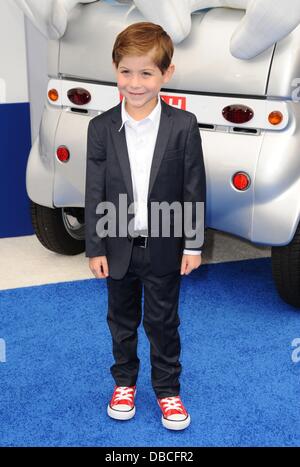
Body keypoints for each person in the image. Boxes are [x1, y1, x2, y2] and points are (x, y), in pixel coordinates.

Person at [85, 21, 206, 430]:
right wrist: (95, 247)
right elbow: (94, 191)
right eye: (126, 72)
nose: (134, 83)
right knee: (120, 320)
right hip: (117, 245)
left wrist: (192, 244)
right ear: (115, 69)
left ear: (166, 74)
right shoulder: (100, 127)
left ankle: (169, 390)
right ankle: (124, 383)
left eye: (146, 73)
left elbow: (193, 188)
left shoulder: (183, 126)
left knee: (162, 320)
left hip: (165, 247)